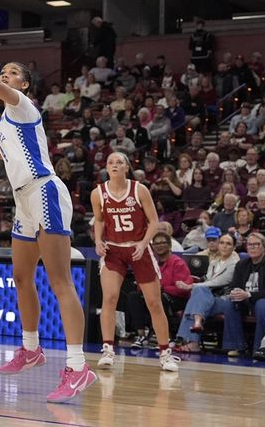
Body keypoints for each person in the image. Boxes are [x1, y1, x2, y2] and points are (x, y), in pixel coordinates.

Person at [0, 24, 96, 403]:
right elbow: (3, 152)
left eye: (13, 73)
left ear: (24, 86)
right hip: (23, 199)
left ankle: (78, 367)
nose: (6, 77)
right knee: (20, 276)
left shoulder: (23, 106)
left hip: (45, 191)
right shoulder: (5, 123)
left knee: (59, 280)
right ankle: (31, 348)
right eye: (6, 71)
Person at [90, 152, 180, 372]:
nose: (114, 165)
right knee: (109, 298)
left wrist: (143, 244)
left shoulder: (139, 190)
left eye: (119, 162)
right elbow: (99, 220)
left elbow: (154, 222)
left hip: (139, 248)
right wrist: (98, 241)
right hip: (114, 250)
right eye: (110, 162)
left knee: (153, 302)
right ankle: (108, 350)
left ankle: (165, 353)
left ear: (127, 167)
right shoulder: (98, 193)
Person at [184, 233, 265, 356]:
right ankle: (235, 346)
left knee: (262, 305)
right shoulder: (242, 265)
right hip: (247, 299)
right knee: (230, 303)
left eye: (256, 244)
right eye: (250, 245)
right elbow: (234, 286)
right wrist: (235, 292)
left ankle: (261, 348)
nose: (252, 247)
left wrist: (248, 294)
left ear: (264, 247)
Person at [172, 232, 240, 353]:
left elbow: (219, 282)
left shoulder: (235, 264)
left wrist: (191, 286)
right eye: (222, 243)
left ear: (234, 247)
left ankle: (186, 339)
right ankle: (195, 331)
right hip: (208, 300)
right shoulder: (214, 263)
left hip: (224, 300)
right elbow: (208, 281)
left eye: (228, 244)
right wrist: (194, 286)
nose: (224, 246)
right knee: (198, 296)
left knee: (198, 293)